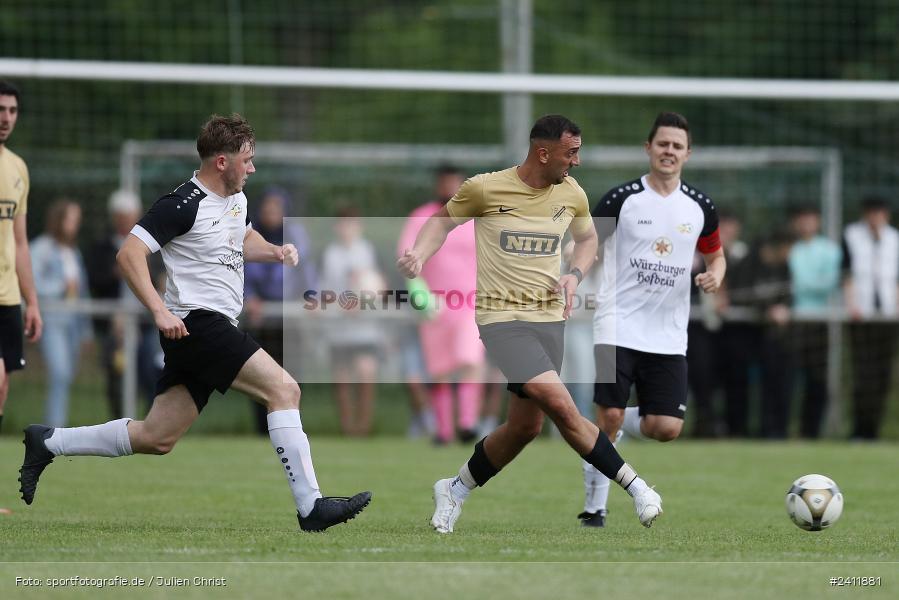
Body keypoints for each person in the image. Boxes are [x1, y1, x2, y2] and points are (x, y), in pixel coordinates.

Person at [18, 113, 370, 531]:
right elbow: (128, 255)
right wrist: (159, 310)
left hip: (204, 329)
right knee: (284, 389)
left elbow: (241, 238)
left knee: (156, 437)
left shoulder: (236, 200)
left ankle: (48, 441)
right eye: (247, 159)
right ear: (221, 162)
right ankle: (312, 507)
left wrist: (274, 252)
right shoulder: (182, 204)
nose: (252, 168)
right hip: (198, 325)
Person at [398, 114, 662, 534]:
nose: (576, 162)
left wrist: (573, 275)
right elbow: (441, 222)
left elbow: (588, 239)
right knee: (562, 407)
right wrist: (419, 255)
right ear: (544, 152)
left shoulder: (571, 193)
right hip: (502, 321)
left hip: (548, 321)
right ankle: (639, 489)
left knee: (524, 427)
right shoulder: (485, 187)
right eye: (570, 152)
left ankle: (454, 489)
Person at [581, 112, 725, 528]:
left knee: (665, 427)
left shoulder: (700, 206)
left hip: (667, 333)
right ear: (648, 148)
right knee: (609, 417)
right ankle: (595, 508)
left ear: (688, 154)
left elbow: (716, 254)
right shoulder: (623, 199)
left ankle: (596, 428)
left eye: (677, 146)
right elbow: (589, 242)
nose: (669, 151)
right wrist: (574, 277)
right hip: (616, 322)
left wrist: (715, 274)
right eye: (663, 143)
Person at [397, 165, 484, 444]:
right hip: (435, 304)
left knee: (469, 358)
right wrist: (418, 293)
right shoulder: (422, 217)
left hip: (470, 301)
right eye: (445, 182)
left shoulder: (476, 218)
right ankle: (444, 430)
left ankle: (468, 422)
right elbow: (407, 258)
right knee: (441, 369)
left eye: (454, 182)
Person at [243, 186, 317, 435]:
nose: (270, 212)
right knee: (259, 374)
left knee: (292, 374)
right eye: (267, 208)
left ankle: (291, 427)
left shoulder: (296, 236)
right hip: (260, 319)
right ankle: (261, 429)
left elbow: (306, 272)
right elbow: (241, 271)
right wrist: (249, 297)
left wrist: (310, 298)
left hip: (290, 317)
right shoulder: (250, 235)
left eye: (276, 208)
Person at [87, 188, 164, 416]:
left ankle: (153, 421)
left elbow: (160, 277)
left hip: (146, 321)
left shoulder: (152, 245)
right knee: (117, 375)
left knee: (153, 370)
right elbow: (94, 280)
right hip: (115, 323)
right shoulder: (102, 247)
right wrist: (115, 273)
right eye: (121, 217)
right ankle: (118, 423)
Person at [0, 80, 42, 433]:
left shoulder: (17, 169)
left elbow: (20, 241)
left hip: (9, 296)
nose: (6, 118)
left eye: (12, 111)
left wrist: (32, 301)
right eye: (0, 109)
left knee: (2, 385)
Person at [320, 208, 383, 437]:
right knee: (342, 380)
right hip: (339, 330)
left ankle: (363, 428)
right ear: (337, 227)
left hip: (365, 331)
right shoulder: (330, 254)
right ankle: (348, 430)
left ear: (359, 225)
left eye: (352, 223)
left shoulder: (368, 251)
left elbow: (381, 287)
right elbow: (323, 292)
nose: (347, 228)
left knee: (366, 374)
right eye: (343, 224)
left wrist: (365, 300)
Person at [30, 200, 91, 427]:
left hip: (73, 322)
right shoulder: (41, 248)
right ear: (59, 220)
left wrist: (87, 331)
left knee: (67, 375)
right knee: (60, 372)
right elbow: (32, 284)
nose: (76, 224)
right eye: (71, 219)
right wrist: (61, 287)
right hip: (52, 321)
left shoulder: (74, 253)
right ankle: (53, 429)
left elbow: (82, 293)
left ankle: (57, 426)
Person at [842, 196, 898, 440]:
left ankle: (875, 431)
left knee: (883, 376)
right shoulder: (852, 235)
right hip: (861, 316)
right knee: (862, 375)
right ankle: (860, 430)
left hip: (888, 317)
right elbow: (847, 274)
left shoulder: (894, 239)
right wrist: (852, 304)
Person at [788, 205, 841, 439]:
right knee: (788, 378)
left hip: (819, 321)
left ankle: (811, 432)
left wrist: (799, 283)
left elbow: (828, 283)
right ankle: (784, 429)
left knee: (817, 380)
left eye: (810, 218)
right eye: (802, 218)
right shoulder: (791, 248)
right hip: (793, 322)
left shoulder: (830, 250)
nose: (806, 223)